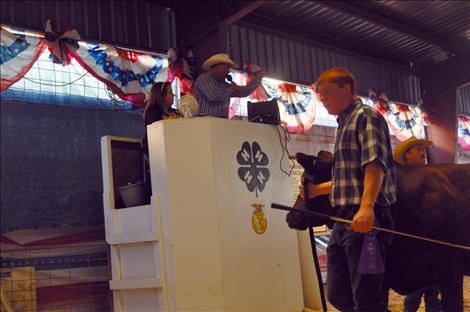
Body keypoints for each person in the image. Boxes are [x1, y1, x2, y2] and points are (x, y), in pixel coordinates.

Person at [300, 68, 396, 311]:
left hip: (365, 222)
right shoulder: (344, 124)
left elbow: (375, 164)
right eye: (320, 94)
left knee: (367, 298)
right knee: (336, 293)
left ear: (347, 89)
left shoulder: (367, 117)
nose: (323, 99)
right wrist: (317, 190)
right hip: (343, 219)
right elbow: (350, 178)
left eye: (327, 92)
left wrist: (367, 207)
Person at [393, 136, 441, 312]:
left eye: (423, 149)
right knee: (414, 293)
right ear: (407, 154)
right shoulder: (399, 179)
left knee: (433, 292)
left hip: (432, 241)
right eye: (418, 149)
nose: (423, 152)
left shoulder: (431, 175)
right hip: (413, 245)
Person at [194, 53, 266, 118]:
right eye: (225, 68)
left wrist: (257, 79)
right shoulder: (203, 79)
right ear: (215, 67)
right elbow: (213, 95)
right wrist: (231, 88)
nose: (228, 71)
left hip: (221, 122)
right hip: (203, 121)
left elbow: (243, 92)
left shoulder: (225, 84)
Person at [141, 81, 182, 195]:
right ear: (162, 96)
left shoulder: (175, 112)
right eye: (170, 92)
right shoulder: (152, 112)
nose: (173, 95)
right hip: (158, 155)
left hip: (175, 153)